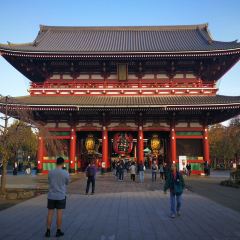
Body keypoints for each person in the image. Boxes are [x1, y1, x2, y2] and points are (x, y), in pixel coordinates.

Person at [45, 157, 70, 238]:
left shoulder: (50, 172)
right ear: (63, 164)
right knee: (59, 214)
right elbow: (67, 183)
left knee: (50, 213)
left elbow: (49, 181)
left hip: (51, 195)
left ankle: (48, 231)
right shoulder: (65, 173)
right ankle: (58, 231)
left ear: (56, 163)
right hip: (61, 196)